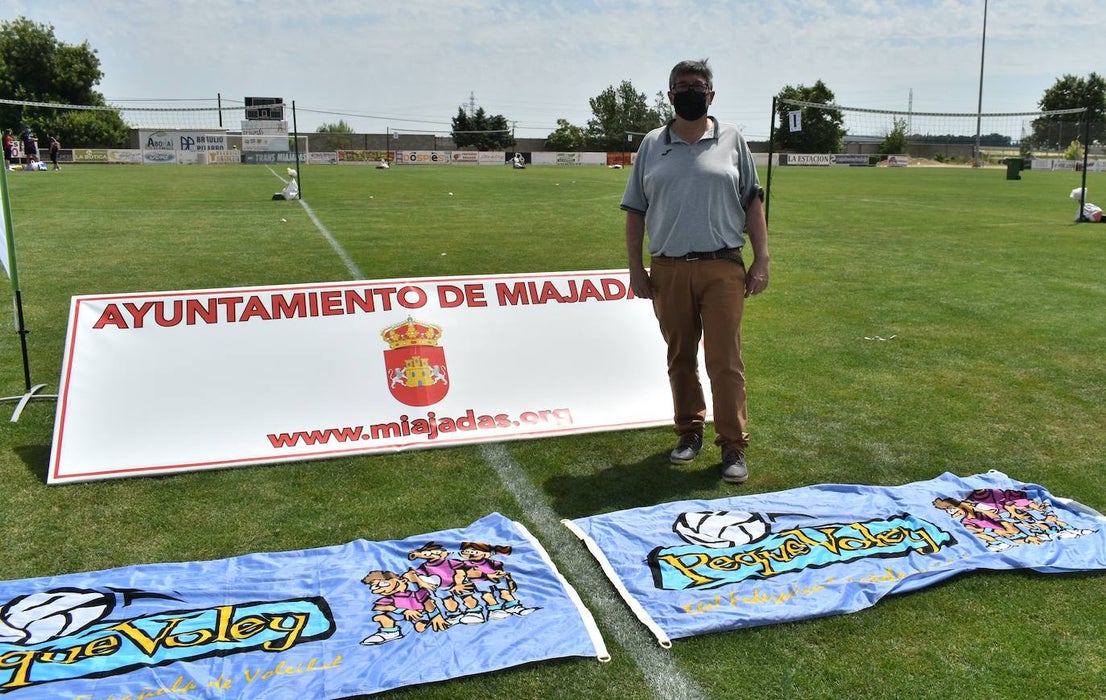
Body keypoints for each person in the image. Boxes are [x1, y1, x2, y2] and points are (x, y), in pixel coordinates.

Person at [621, 58, 770, 484]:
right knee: (680, 358)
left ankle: (733, 445)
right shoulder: (652, 144)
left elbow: (752, 203)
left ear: (711, 94)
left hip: (722, 266)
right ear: (670, 95)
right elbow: (635, 211)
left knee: (725, 360)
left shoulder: (732, 140)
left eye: (698, 85)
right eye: (682, 86)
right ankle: (689, 433)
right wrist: (636, 267)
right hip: (668, 269)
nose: (690, 91)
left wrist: (762, 259)